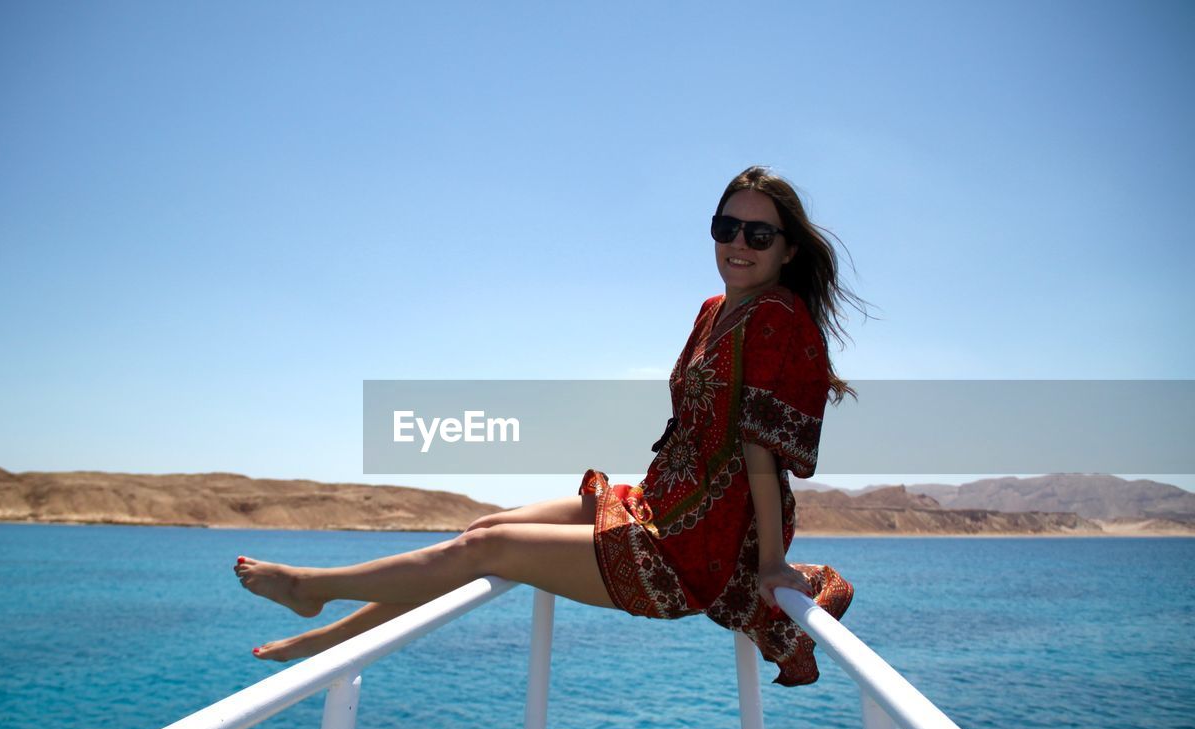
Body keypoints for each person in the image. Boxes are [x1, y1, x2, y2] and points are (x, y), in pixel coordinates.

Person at [235, 165, 865, 685]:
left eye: (759, 234)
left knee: (486, 549)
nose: (739, 243)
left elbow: (762, 451)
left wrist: (773, 563)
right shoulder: (713, 310)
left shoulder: (778, 317)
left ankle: (311, 586)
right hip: (659, 505)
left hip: (696, 549)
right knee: (484, 528)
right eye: (726, 227)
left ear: (786, 250)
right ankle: (328, 634)